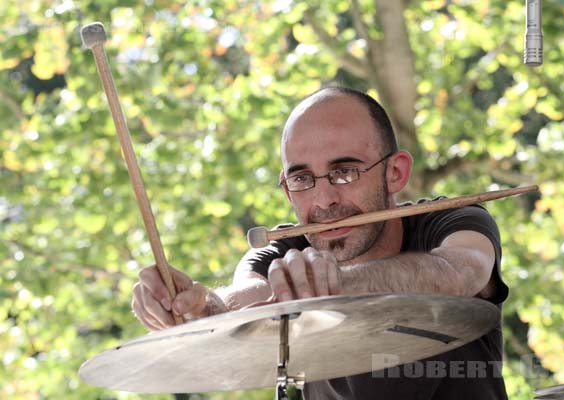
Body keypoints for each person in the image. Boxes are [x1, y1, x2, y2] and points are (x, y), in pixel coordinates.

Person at [131, 86, 509, 399]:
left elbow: (461, 271)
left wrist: (337, 287)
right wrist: (199, 310)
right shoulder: (279, 253)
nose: (323, 200)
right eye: (302, 179)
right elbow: (248, 296)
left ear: (395, 173)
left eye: (344, 173)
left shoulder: (452, 221)